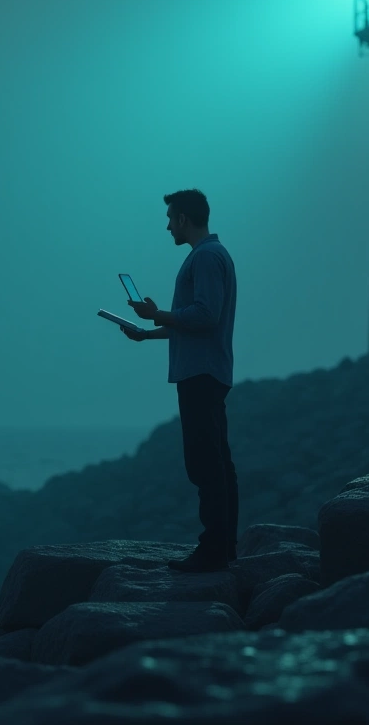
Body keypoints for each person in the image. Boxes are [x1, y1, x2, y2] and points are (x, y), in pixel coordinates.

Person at [123, 189, 239, 572]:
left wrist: (158, 314)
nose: (168, 225)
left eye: (171, 218)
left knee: (205, 464)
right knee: (217, 462)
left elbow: (205, 316)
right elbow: (192, 324)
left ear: (184, 219)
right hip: (208, 370)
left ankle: (213, 551)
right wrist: (148, 331)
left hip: (201, 374)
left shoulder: (205, 257)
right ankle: (224, 548)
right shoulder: (211, 255)